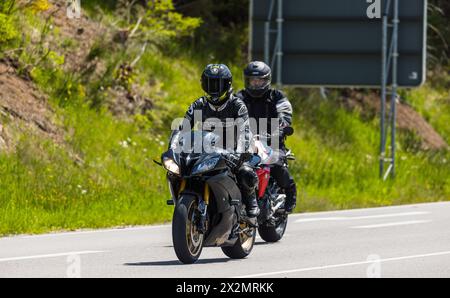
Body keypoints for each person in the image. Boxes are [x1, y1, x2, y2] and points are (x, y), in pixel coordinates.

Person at [169, 64, 260, 218]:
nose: (214, 88)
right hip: (207, 149)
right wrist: (173, 146)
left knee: (245, 171)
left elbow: (245, 130)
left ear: (228, 84)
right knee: (177, 171)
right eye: (210, 83)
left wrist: (240, 153)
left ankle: (251, 201)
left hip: (234, 149)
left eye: (218, 83)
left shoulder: (237, 105)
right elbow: (183, 126)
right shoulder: (199, 104)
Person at [236, 61, 297, 213]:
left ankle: (290, 191)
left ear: (267, 80)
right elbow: (230, 113)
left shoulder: (277, 96)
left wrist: (282, 127)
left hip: (272, 141)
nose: (255, 84)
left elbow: (285, 112)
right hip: (246, 142)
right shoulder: (239, 97)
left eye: (259, 81)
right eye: (252, 81)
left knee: (275, 163)